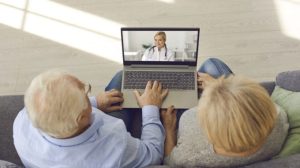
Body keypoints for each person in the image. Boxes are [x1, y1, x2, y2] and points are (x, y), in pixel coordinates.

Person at [13, 70, 168, 168]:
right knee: (122, 77)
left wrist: (94, 102)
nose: (87, 91)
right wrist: (150, 109)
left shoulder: (23, 122)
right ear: (82, 117)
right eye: (85, 92)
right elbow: (153, 154)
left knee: (124, 77)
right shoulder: (116, 147)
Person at [161, 58, 290, 167]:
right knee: (212, 64)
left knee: (210, 64)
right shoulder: (278, 119)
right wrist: (219, 86)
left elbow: (169, 161)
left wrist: (169, 128)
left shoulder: (189, 154)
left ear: (209, 132)